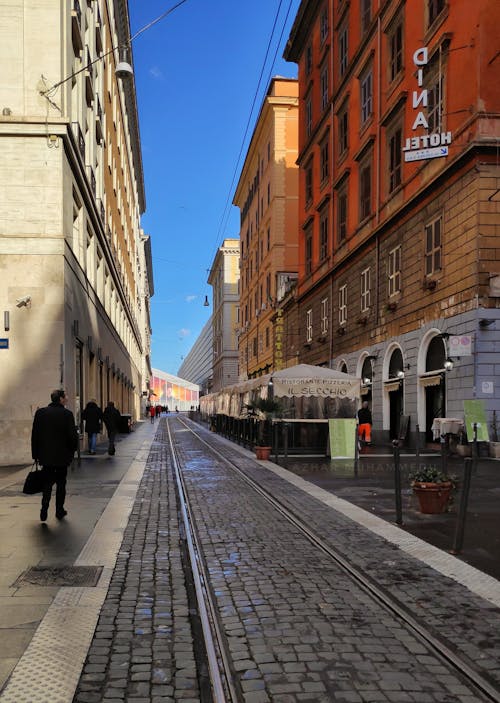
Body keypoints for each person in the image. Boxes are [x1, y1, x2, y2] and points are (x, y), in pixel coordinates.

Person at [31, 389, 78, 521]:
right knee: (61, 484)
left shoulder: (40, 413)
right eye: (66, 397)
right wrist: (71, 452)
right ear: (61, 399)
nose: (67, 398)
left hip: (46, 456)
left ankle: (44, 508)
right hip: (62, 457)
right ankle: (59, 510)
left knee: (47, 483)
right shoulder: (67, 414)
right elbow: (72, 436)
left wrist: (35, 454)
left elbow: (35, 435)